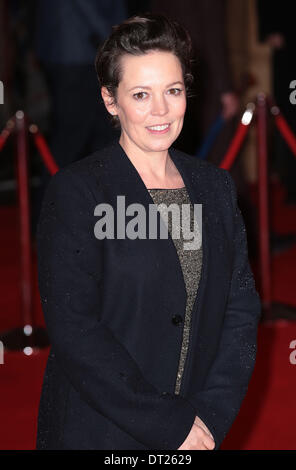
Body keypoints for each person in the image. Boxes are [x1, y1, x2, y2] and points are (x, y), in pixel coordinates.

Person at [36, 13, 261, 450]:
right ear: (110, 100)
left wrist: (210, 416)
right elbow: (75, 330)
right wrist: (166, 424)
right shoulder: (79, 192)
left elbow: (240, 312)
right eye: (141, 94)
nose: (161, 110)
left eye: (172, 91)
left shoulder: (214, 188)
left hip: (197, 432)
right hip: (100, 431)